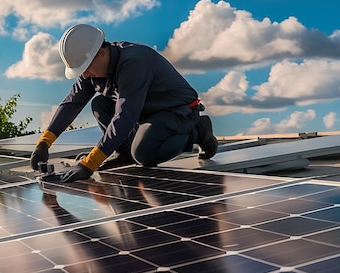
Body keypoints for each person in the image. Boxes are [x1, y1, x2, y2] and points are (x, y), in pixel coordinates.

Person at [30, 24, 217, 183]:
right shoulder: (91, 71)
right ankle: (123, 153)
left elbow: (125, 116)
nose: (85, 75)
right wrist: (44, 144)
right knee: (100, 104)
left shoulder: (134, 62)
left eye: (85, 68)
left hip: (175, 111)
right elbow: (71, 103)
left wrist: (89, 163)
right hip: (144, 113)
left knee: (144, 154)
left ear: (101, 52)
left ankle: (199, 130)